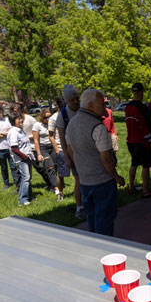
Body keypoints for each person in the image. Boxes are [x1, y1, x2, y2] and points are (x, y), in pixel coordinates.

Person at [65, 89, 125, 236]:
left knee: (91, 218)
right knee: (104, 220)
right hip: (102, 182)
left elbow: (70, 150)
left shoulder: (71, 123)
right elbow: (105, 158)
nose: (104, 108)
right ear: (91, 106)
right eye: (102, 104)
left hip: (85, 181)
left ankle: (95, 245)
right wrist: (117, 177)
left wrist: (81, 166)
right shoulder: (98, 127)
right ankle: (105, 250)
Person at [56, 84, 85, 219]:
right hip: (73, 151)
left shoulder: (83, 110)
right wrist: (67, 157)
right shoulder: (62, 115)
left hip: (87, 148)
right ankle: (79, 207)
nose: (76, 102)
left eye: (77, 99)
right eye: (72, 100)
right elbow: (61, 138)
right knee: (78, 179)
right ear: (67, 101)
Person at [125, 83, 151, 198]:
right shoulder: (142, 107)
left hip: (130, 140)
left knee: (134, 163)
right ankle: (145, 189)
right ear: (142, 92)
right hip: (142, 141)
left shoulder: (128, 107)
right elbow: (145, 126)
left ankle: (131, 187)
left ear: (133, 92)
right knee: (146, 165)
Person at [7, 113, 35, 206]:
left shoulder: (21, 130)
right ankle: (22, 199)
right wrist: (24, 156)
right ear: (13, 121)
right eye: (18, 119)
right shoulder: (13, 132)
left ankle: (30, 197)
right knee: (25, 177)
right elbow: (14, 148)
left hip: (27, 156)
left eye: (21, 119)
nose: (21, 121)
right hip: (21, 158)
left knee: (28, 178)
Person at [32, 108, 59, 196]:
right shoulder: (37, 125)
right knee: (49, 166)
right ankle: (56, 188)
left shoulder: (51, 124)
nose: (47, 119)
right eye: (46, 117)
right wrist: (39, 154)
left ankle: (52, 185)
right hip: (43, 148)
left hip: (52, 146)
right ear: (42, 117)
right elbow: (36, 141)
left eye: (49, 117)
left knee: (55, 167)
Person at [48, 97, 70, 202]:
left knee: (77, 173)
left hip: (72, 148)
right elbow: (51, 135)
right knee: (61, 174)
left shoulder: (70, 115)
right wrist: (57, 149)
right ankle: (60, 193)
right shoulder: (53, 118)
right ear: (58, 107)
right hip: (61, 150)